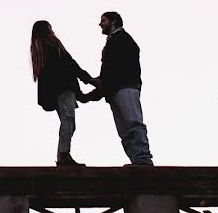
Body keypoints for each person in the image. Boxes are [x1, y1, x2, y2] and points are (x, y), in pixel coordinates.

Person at [80, 11, 153, 166]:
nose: (100, 24)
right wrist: (96, 89)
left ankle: (143, 159)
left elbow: (113, 70)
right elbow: (110, 72)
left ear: (113, 21)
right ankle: (138, 160)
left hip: (125, 87)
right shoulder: (116, 41)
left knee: (132, 123)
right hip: (117, 89)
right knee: (125, 129)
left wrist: (96, 88)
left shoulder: (122, 40)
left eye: (103, 20)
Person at [30, 20, 95, 166]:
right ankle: (64, 155)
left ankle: (62, 156)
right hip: (64, 89)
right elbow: (69, 65)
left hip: (56, 91)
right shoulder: (52, 44)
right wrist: (87, 80)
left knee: (68, 121)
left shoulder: (39, 48)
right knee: (68, 120)